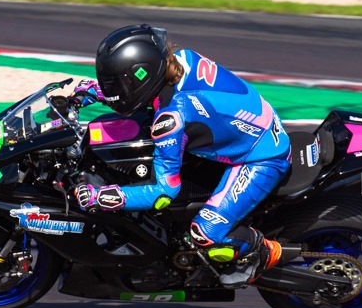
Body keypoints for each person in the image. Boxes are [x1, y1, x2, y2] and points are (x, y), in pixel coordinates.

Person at [71, 24, 295, 286]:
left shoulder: (171, 120)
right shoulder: (179, 60)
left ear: (141, 76)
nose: (112, 88)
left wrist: (102, 197)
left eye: (118, 83)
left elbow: (163, 192)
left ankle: (263, 251)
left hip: (261, 156)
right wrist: (103, 93)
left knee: (205, 233)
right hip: (254, 124)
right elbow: (149, 93)